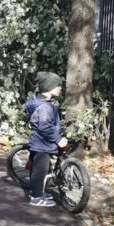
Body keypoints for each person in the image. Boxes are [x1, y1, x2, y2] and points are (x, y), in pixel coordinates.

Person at [23, 71, 68, 207]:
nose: (60, 88)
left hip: (41, 143)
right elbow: (45, 127)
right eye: (58, 85)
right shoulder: (44, 107)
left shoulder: (46, 102)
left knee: (41, 169)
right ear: (48, 88)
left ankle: (38, 191)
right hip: (42, 144)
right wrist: (58, 139)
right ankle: (36, 197)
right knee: (40, 171)